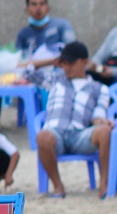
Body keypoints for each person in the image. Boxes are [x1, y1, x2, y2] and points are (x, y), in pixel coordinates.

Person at [35, 42, 112, 198]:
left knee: (104, 132)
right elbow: (25, 71)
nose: (67, 67)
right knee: (43, 136)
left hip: (80, 134)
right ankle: (58, 186)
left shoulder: (99, 88)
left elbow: (98, 114)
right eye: (64, 63)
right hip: (55, 132)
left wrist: (102, 122)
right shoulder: (55, 79)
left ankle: (104, 184)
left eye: (71, 63)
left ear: (84, 62)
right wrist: (52, 61)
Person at [15, 0, 79, 75]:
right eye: (34, 4)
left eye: (42, 4)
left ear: (48, 8)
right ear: (27, 10)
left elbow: (73, 52)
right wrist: (51, 61)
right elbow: (19, 64)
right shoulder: (23, 34)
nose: (38, 8)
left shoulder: (61, 26)